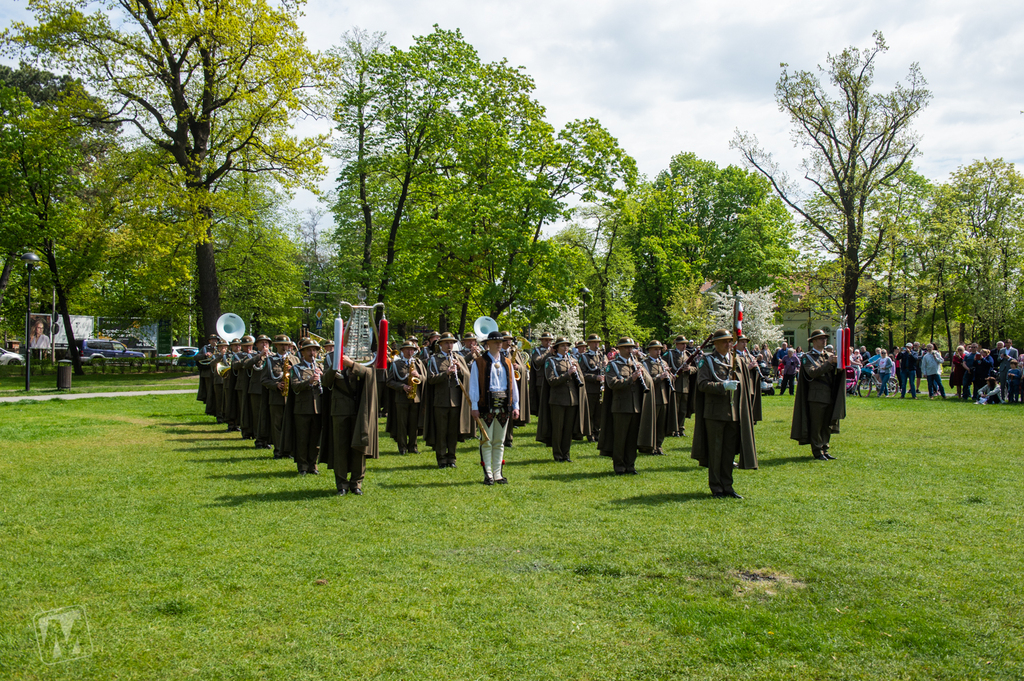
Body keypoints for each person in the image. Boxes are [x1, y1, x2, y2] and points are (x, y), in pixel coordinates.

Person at [691, 328, 758, 498]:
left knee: (729, 453)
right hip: (714, 414)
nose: (729, 344)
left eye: (730, 341)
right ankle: (716, 487)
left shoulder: (737, 360)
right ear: (716, 344)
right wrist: (722, 386)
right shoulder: (707, 361)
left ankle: (728, 486)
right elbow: (702, 384)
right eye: (725, 341)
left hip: (733, 412)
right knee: (716, 452)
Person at [320, 348, 378, 495]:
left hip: (360, 407)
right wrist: (336, 366)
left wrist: (351, 364)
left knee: (359, 446)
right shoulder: (330, 357)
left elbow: (370, 374)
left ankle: (356, 483)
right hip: (339, 408)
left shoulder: (365, 355)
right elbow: (325, 382)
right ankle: (342, 485)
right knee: (340, 448)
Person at [597, 338, 655, 475]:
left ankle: (630, 464)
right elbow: (612, 384)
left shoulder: (636, 364)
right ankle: (619, 466)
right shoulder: (613, 365)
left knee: (632, 438)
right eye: (627, 348)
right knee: (620, 438)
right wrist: (631, 379)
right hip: (621, 407)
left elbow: (649, 383)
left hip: (635, 406)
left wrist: (643, 374)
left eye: (631, 347)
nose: (630, 350)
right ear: (620, 349)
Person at [469, 331, 520, 485]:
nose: (499, 344)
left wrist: (515, 405)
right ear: (488, 344)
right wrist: (474, 405)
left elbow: (513, 385)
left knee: (499, 440)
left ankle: (498, 474)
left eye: (501, 341)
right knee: (486, 440)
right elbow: (474, 386)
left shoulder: (507, 362)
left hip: (504, 405)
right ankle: (488, 474)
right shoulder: (478, 362)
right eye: (495, 342)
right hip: (486, 405)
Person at [791, 328, 846, 461]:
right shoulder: (807, 357)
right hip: (816, 397)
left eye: (825, 338)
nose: (824, 340)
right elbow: (812, 373)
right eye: (821, 338)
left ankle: (825, 448)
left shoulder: (828, 355)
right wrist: (828, 363)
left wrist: (839, 366)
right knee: (817, 424)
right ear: (814, 341)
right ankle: (817, 450)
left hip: (829, 395)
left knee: (827, 423)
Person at [536, 337, 590, 462]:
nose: (566, 348)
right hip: (557, 400)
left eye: (567, 346)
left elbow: (580, 379)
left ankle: (566, 454)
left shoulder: (573, 360)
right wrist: (568, 374)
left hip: (572, 400)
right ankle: (558, 454)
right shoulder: (551, 361)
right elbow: (551, 381)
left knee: (568, 429)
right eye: (562, 346)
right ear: (556, 348)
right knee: (558, 428)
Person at [424, 332, 472, 469]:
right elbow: (431, 379)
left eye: (451, 342)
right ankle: (441, 458)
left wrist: (460, 369)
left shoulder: (458, 358)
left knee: (452, 431)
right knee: (441, 431)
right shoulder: (434, 359)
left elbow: (467, 376)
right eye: (446, 343)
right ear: (440, 345)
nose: (449, 345)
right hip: (440, 401)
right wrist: (446, 373)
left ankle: (452, 457)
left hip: (456, 401)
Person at [385, 340, 426, 455]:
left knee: (414, 424)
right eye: (407, 349)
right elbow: (389, 381)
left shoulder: (418, 363)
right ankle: (402, 447)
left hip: (415, 398)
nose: (410, 351)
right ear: (402, 351)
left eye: (412, 349)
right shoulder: (396, 364)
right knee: (401, 424)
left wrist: (418, 376)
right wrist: (402, 386)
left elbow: (425, 378)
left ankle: (413, 446)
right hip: (401, 398)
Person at [289, 339, 323, 475]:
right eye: (309, 350)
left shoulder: (320, 368)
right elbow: (295, 386)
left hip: (317, 409)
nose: (312, 352)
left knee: (315, 439)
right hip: (302, 409)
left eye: (314, 350)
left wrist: (323, 378)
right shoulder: (296, 369)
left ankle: (313, 464)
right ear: (302, 352)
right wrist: (308, 381)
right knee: (302, 438)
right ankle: (302, 466)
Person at [261, 335, 295, 459]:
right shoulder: (270, 360)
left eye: (286, 345)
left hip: (291, 397)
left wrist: (294, 371)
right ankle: (279, 450)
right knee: (277, 425)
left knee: (290, 424)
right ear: (276, 346)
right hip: (276, 398)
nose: (284, 347)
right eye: (281, 344)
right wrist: (275, 385)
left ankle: (289, 449)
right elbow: (263, 379)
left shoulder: (295, 359)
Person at [642, 340, 677, 456]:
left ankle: (659, 445)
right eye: (656, 349)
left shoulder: (664, 363)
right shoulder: (645, 364)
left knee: (661, 424)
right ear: (650, 350)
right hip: (653, 398)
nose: (658, 352)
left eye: (660, 349)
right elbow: (646, 381)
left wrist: (670, 377)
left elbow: (669, 379)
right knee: (652, 423)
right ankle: (650, 446)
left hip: (664, 398)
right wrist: (659, 378)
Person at [502, 332, 531, 448]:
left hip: (512, 384)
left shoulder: (514, 352)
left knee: (509, 411)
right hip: (501, 385)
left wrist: (518, 367)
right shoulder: (497, 353)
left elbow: (524, 367)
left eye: (509, 340)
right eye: (505, 340)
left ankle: (509, 439)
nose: (508, 342)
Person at [243, 335, 273, 450]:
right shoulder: (252, 356)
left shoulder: (273, 356)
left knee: (268, 414)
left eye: (266, 342)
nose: (264, 345)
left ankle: (267, 439)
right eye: (262, 343)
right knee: (257, 415)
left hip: (269, 389)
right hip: (256, 390)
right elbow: (246, 365)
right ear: (256, 345)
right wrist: (260, 356)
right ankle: (259, 438)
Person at [665, 335, 698, 436]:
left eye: (685, 343)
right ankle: (673, 429)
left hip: (685, 386)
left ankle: (681, 428)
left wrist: (689, 369)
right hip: (675, 385)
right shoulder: (670, 354)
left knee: (683, 409)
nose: (685, 345)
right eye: (682, 343)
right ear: (677, 344)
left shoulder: (688, 355)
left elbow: (695, 368)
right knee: (675, 408)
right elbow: (663, 364)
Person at [579, 333, 606, 441]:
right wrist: (595, 377)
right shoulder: (584, 357)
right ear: (589, 344)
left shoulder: (601, 356)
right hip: (590, 389)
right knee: (590, 412)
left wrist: (605, 366)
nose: (596, 344)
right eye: (594, 342)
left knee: (599, 413)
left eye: (598, 342)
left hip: (600, 388)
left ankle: (597, 432)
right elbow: (582, 374)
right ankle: (590, 434)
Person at [233, 335, 255, 439]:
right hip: (242, 385)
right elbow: (235, 366)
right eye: (246, 346)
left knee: (253, 408)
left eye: (250, 346)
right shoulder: (238, 355)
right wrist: (246, 359)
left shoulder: (256, 354)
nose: (248, 348)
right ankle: (245, 431)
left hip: (253, 384)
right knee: (244, 409)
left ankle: (254, 430)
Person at [529, 332, 554, 416]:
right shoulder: (537, 350)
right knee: (542, 404)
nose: (548, 342)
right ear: (542, 341)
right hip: (541, 381)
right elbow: (538, 361)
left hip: (552, 380)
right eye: (546, 340)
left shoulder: (553, 350)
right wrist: (549, 353)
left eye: (550, 340)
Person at [195, 333, 219, 416]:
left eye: (215, 340)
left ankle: (216, 409)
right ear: (209, 341)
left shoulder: (219, 349)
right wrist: (205, 355)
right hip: (208, 373)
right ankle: (209, 409)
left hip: (217, 372)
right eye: (212, 340)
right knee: (209, 392)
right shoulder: (205, 348)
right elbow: (196, 357)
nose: (214, 341)